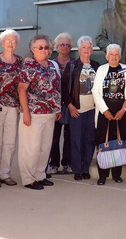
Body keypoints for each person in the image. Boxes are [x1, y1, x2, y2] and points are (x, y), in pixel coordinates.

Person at [17, 35, 62, 190]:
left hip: (50, 113)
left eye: (46, 47)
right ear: (33, 49)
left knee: (44, 147)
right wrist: (26, 112)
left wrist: (57, 109)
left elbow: (56, 89)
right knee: (31, 147)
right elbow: (21, 90)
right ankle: (29, 178)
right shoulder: (28, 67)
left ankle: (40, 175)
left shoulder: (52, 66)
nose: (44, 50)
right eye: (40, 47)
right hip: (34, 112)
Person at [91, 44, 126, 185]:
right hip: (105, 114)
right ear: (107, 57)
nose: (114, 57)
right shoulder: (101, 69)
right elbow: (96, 91)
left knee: (119, 142)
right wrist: (105, 111)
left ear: (120, 56)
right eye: (111, 55)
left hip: (121, 113)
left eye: (116, 55)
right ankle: (102, 175)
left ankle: (117, 174)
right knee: (102, 143)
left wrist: (123, 109)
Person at [0, 29, 23, 188]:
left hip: (13, 106)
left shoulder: (20, 61)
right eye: (8, 40)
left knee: (9, 142)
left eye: (14, 41)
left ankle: (5, 173)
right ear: (2, 43)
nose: (11, 43)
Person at [62, 36, 100, 180]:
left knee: (90, 140)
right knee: (76, 140)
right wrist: (70, 106)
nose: (86, 50)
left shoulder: (97, 66)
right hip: (77, 109)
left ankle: (86, 168)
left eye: (89, 47)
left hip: (92, 109)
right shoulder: (72, 66)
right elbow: (64, 88)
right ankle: (77, 169)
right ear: (78, 50)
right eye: (83, 47)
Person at [49, 33, 75, 175]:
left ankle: (67, 163)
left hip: (70, 104)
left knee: (70, 135)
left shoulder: (74, 63)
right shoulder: (52, 64)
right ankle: (54, 164)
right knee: (54, 135)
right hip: (55, 105)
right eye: (61, 45)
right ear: (57, 47)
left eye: (67, 45)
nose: (64, 47)